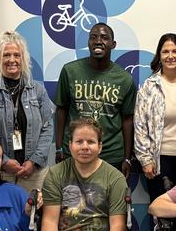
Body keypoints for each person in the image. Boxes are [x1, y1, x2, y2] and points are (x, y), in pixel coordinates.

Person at [0, 30, 54, 191]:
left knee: (33, 215)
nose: (12, 60)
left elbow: (47, 128)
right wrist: (3, 161)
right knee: (0, 215)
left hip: (34, 173)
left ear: (23, 59)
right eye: (6, 55)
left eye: (16, 55)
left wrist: (33, 161)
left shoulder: (38, 90)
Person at [54, 23, 136, 177]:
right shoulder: (70, 71)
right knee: (72, 199)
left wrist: (127, 157)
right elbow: (61, 109)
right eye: (93, 37)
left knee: (109, 200)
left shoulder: (125, 79)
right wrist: (59, 147)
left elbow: (127, 119)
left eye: (104, 38)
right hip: (75, 152)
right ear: (88, 42)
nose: (98, 41)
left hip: (111, 155)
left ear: (113, 44)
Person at [134, 33, 176, 205]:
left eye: (175, 51)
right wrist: (145, 160)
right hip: (159, 160)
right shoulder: (149, 87)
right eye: (165, 52)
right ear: (159, 56)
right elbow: (140, 125)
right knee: (161, 210)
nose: (170, 56)